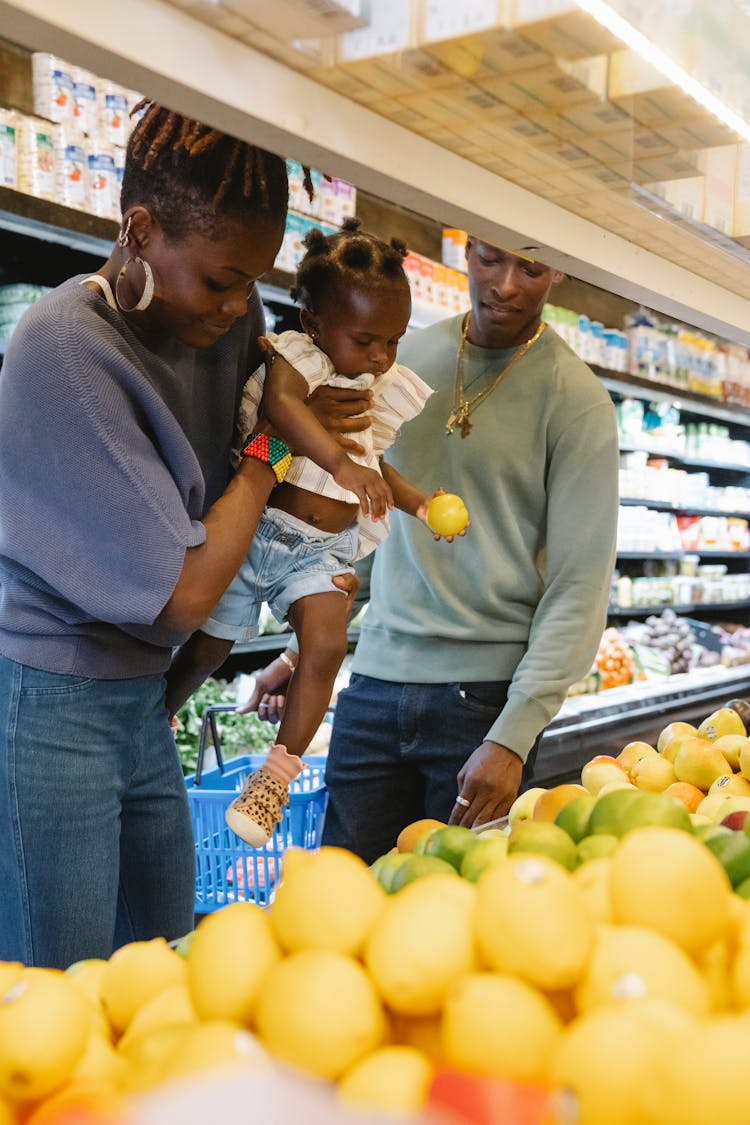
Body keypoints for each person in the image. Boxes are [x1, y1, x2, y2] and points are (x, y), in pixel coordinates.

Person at [0, 102, 359, 968]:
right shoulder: (66, 349)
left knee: (162, 964)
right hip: (51, 705)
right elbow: (183, 593)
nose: (241, 307)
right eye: (222, 279)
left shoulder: (224, 321)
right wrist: (280, 441)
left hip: (140, 699)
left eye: (254, 283)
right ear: (140, 227)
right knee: (64, 984)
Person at [248, 238, 620, 863]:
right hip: (371, 686)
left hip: (481, 705)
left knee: (453, 919)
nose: (504, 284)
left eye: (530, 267)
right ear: (466, 248)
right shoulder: (400, 357)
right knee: (346, 903)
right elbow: (355, 512)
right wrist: (299, 649)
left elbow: (579, 587)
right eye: (490, 259)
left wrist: (514, 736)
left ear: (559, 267)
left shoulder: (576, 402)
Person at [164, 220, 439, 847]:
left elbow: (372, 458)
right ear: (314, 321)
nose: (380, 358)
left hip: (322, 552)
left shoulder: (377, 389)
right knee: (208, 648)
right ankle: (155, 717)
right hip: (256, 530)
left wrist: (419, 503)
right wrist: (340, 464)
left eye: (393, 341)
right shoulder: (298, 357)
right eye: (367, 339)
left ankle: (273, 781)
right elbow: (283, 411)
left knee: (325, 649)